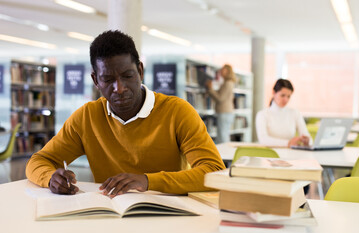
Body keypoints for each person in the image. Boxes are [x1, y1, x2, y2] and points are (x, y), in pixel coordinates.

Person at [25, 30, 225, 197]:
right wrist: (50, 177)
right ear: (96, 80)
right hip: (110, 214)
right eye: (108, 79)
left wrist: (147, 181)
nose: (119, 88)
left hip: (169, 213)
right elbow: (39, 161)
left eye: (127, 76)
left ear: (140, 70)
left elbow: (214, 171)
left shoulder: (178, 111)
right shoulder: (87, 117)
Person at [256, 79, 312, 147]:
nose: (286, 100)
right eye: (282, 95)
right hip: (270, 155)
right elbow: (263, 140)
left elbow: (306, 135)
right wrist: (288, 143)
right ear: (274, 93)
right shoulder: (262, 115)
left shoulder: (295, 113)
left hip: (290, 155)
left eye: (288, 96)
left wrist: (307, 140)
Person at [205, 64, 236, 144]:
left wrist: (210, 88)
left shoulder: (228, 83)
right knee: (223, 136)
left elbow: (220, 98)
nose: (220, 71)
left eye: (223, 70)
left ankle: (224, 155)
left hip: (224, 113)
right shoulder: (226, 83)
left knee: (223, 137)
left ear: (228, 71)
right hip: (225, 113)